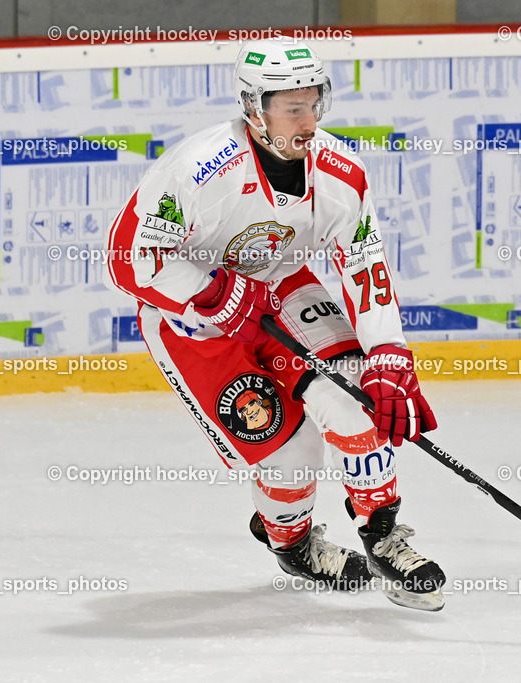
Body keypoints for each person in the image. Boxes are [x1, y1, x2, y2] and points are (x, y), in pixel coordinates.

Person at [106, 39, 445, 610]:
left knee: (358, 394)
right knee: (291, 455)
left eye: (314, 103)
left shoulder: (342, 172)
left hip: (280, 284)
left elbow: (363, 263)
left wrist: (388, 352)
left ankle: (383, 535)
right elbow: (129, 257)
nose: (308, 120)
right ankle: (290, 541)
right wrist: (212, 291)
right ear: (254, 107)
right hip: (192, 322)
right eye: (292, 107)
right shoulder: (198, 169)